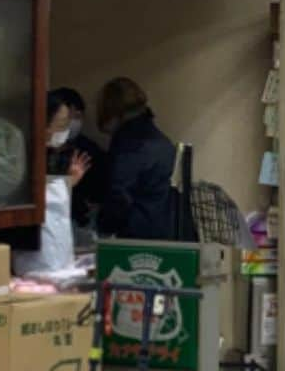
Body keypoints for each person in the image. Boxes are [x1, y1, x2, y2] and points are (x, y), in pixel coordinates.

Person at [13, 91, 91, 276]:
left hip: (60, 255)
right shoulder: (22, 155)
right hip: (36, 257)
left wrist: (70, 182)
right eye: (62, 124)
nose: (66, 130)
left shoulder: (54, 156)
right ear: (43, 125)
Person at [97, 78, 177, 241]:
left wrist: (102, 225)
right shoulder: (160, 139)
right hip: (162, 225)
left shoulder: (130, 144)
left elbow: (120, 195)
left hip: (136, 232)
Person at [53, 86, 108, 229]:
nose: (73, 122)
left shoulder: (89, 151)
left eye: (78, 116)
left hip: (79, 222)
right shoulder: (38, 149)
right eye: (69, 117)